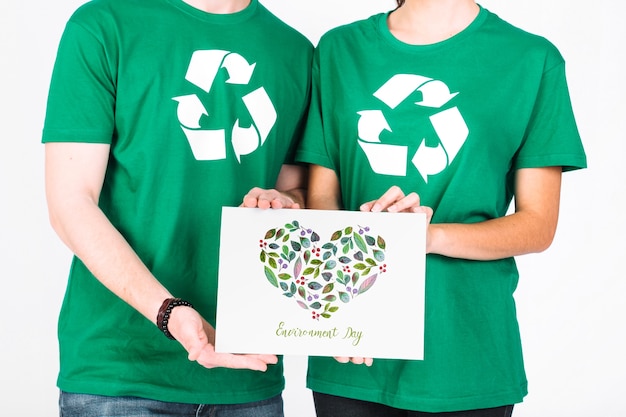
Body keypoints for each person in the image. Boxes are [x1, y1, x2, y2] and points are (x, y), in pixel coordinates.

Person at [296, 0, 586, 415]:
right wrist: (342, 309)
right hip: (355, 348)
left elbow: (537, 225)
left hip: (466, 353)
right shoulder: (339, 49)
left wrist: (428, 237)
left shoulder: (531, 59)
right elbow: (323, 198)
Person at [42, 0, 312, 415]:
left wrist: (284, 203)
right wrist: (169, 312)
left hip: (247, 373)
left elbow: (295, 190)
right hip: (121, 373)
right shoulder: (105, 24)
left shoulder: (294, 50)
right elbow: (70, 203)